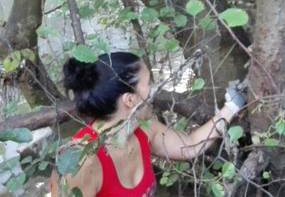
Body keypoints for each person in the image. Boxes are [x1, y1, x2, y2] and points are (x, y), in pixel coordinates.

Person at [50, 52, 246, 197]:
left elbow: (190, 145)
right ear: (130, 100)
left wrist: (231, 107)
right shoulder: (80, 162)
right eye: (149, 83)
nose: (154, 90)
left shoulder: (144, 128)